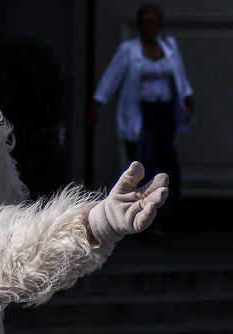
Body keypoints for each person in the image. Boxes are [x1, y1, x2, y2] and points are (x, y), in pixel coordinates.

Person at [89, 3, 194, 229]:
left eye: (151, 21)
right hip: (141, 113)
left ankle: (169, 213)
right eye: (143, 22)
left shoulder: (169, 47)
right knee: (146, 161)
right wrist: (96, 106)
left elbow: (179, 76)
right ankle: (146, 215)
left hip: (165, 112)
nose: (147, 26)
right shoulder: (129, 50)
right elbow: (110, 78)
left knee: (168, 161)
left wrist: (187, 100)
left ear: (159, 25)